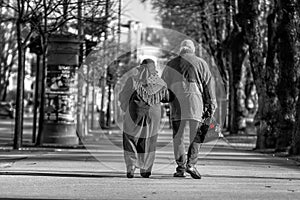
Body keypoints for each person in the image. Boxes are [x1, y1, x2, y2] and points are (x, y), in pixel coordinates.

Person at [162, 39, 217, 179]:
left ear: (181, 49)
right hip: (195, 104)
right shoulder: (201, 63)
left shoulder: (171, 64)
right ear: (192, 49)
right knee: (196, 135)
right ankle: (191, 164)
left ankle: (180, 168)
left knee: (178, 137)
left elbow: (162, 87)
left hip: (176, 105)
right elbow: (208, 87)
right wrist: (211, 104)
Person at [119, 58, 168, 178]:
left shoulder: (133, 80)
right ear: (154, 69)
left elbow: (123, 96)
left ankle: (131, 165)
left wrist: (126, 108)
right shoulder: (160, 83)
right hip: (153, 113)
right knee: (149, 140)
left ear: (141, 68)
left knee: (130, 137)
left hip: (135, 111)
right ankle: (145, 168)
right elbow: (166, 98)